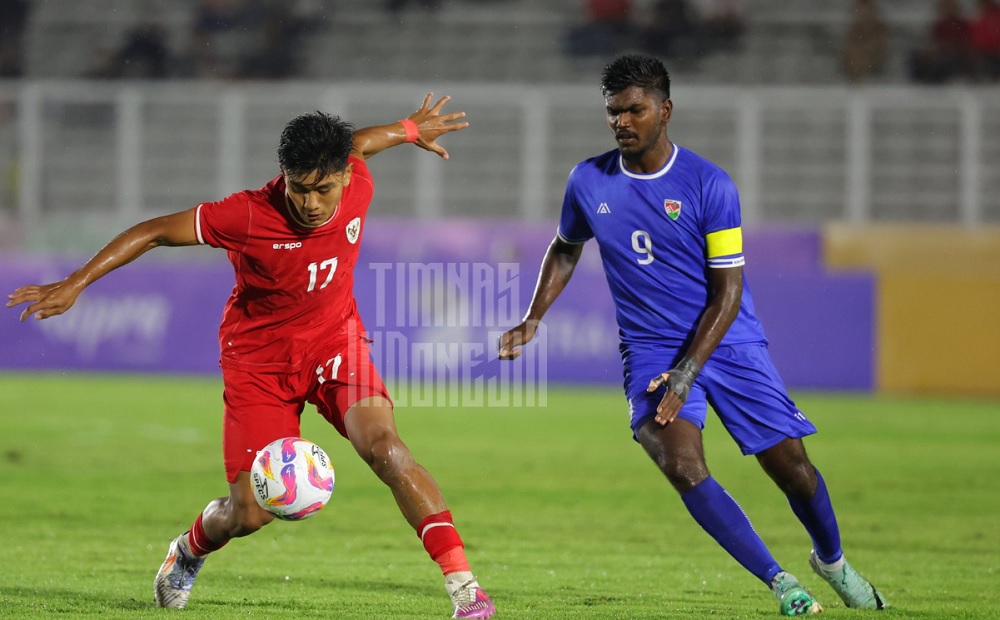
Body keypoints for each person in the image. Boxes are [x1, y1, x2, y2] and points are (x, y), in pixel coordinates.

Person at [7, 94, 495, 620]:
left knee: (387, 450)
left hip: (335, 343)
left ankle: (466, 591)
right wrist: (76, 283)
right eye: (298, 188)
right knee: (249, 514)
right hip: (258, 362)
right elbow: (151, 232)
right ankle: (189, 549)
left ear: (345, 178)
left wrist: (407, 127)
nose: (310, 203)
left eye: (323, 189)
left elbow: (362, 143)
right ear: (283, 175)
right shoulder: (244, 214)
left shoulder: (355, 174)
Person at [498, 55, 888, 617]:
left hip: (727, 341)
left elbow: (727, 293)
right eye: (613, 111)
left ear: (665, 110)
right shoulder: (588, 180)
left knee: (793, 469)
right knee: (679, 463)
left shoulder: (710, 185)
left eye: (635, 109)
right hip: (650, 349)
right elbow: (566, 246)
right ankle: (782, 584)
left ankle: (831, 562)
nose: (622, 121)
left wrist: (688, 372)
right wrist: (534, 316)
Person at [841, 0, 890, 83]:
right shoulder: (853, 28)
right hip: (859, 62)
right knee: (855, 55)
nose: (864, 13)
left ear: (873, 10)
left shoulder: (881, 28)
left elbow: (882, 47)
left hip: (877, 62)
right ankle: (857, 78)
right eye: (860, 9)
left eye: (866, 9)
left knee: (858, 55)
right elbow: (849, 47)